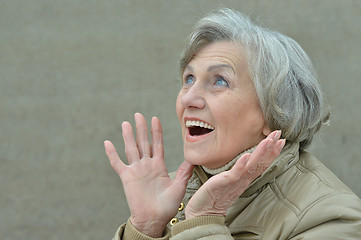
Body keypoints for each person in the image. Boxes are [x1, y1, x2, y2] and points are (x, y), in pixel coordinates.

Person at [104, 8, 361, 239]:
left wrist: (205, 220)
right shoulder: (170, 194)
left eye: (219, 81)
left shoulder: (329, 218)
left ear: (274, 113)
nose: (189, 98)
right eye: (189, 78)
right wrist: (146, 228)